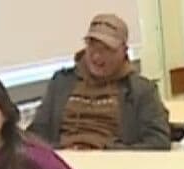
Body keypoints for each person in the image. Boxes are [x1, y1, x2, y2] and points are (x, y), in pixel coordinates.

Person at [28, 14, 170, 150]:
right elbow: (35, 134)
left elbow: (158, 142)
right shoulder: (61, 82)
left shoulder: (141, 90)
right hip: (64, 161)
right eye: (92, 47)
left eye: (107, 49)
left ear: (124, 51)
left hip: (114, 165)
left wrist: (108, 152)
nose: (97, 56)